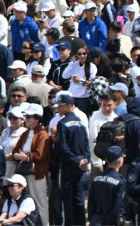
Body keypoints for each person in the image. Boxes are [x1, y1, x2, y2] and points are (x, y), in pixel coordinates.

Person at [54, 92, 89, 226]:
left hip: (69, 165)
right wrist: (85, 159)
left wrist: (76, 161)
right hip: (80, 164)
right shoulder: (80, 122)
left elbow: (63, 148)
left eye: (61, 106)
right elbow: (86, 144)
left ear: (69, 106)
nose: (58, 109)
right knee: (79, 197)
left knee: (67, 198)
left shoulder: (62, 123)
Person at [88, 145, 126, 226]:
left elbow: (91, 203)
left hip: (97, 220)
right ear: (120, 160)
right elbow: (117, 206)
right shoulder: (120, 182)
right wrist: (108, 221)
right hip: (111, 222)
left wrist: (93, 219)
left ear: (106, 160)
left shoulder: (96, 179)